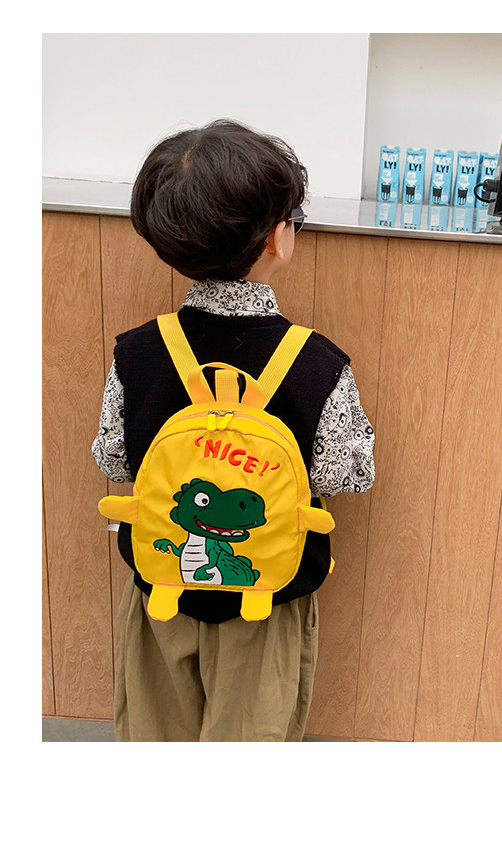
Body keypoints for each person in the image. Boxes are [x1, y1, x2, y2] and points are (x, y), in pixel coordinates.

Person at [91, 118, 375, 741]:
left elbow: (114, 459)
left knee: (155, 738)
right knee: (251, 742)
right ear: (278, 237)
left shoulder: (138, 352)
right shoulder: (317, 361)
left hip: (162, 583)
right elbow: (345, 474)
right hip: (266, 595)